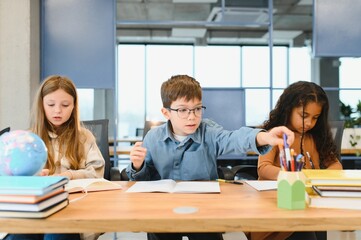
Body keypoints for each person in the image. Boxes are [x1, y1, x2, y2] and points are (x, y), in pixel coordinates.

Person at [126, 74, 295, 240]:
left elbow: (234, 138)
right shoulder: (153, 137)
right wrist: (137, 166)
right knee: (158, 230)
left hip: (205, 207)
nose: (192, 116)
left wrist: (265, 137)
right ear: (166, 113)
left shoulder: (209, 131)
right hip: (163, 208)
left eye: (197, 109)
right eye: (183, 110)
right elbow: (143, 179)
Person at [4, 75, 105, 240]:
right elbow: (12, 178)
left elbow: (97, 173)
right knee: (17, 235)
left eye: (65, 105)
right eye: (50, 104)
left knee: (56, 233)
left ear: (74, 107)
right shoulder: (27, 140)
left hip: (71, 207)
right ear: (41, 105)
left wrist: (69, 175)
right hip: (33, 209)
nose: (57, 110)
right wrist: (33, 177)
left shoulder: (84, 137)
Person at [248, 81, 343, 240]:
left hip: (307, 201)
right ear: (288, 109)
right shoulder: (275, 135)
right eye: (304, 115)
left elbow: (336, 165)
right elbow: (263, 168)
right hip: (276, 202)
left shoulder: (317, 138)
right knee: (303, 230)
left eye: (315, 118)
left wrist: (314, 177)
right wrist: (292, 176)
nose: (309, 123)